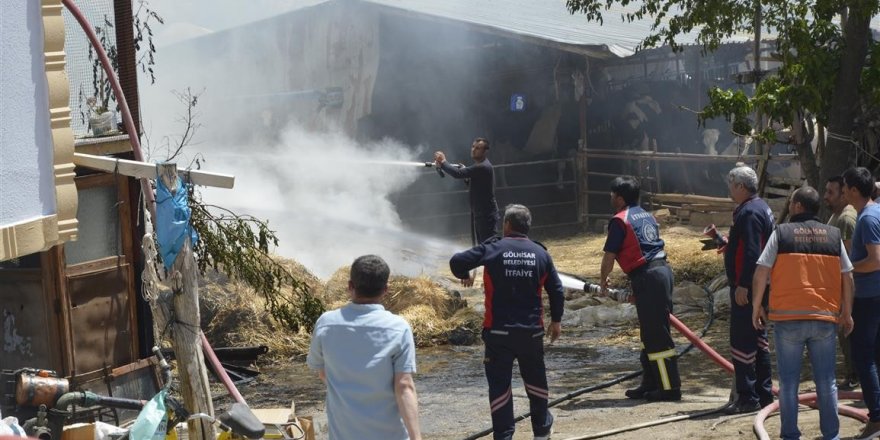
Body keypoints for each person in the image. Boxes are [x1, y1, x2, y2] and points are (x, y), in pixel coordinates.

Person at [449, 204, 563, 440]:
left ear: (507, 225)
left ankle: (503, 435)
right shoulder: (541, 253)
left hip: (498, 333)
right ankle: (542, 431)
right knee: (536, 383)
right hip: (531, 332)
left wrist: (466, 273)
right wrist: (557, 321)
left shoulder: (493, 248)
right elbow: (557, 289)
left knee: (500, 387)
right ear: (527, 227)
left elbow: (456, 262)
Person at [751, 186, 854, 440]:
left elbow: (761, 271)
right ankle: (831, 436)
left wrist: (756, 306)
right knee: (826, 382)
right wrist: (847, 313)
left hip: (788, 319)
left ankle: (790, 435)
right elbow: (848, 277)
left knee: (788, 384)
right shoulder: (833, 235)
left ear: (797, 206)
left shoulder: (782, 233)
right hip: (823, 318)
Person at [306, 255, 422, 440]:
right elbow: (404, 386)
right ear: (386, 289)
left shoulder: (326, 323)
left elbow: (322, 372)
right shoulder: (399, 328)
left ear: (350, 286)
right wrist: (417, 437)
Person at [599, 176, 682, 401]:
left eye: (612, 194)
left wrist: (603, 280)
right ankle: (650, 382)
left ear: (619, 198)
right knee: (650, 333)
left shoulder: (619, 220)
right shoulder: (647, 215)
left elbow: (609, 256)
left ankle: (669, 389)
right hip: (660, 272)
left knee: (657, 335)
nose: (610, 197)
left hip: (649, 276)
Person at [724, 164, 775, 414]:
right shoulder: (760, 207)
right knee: (758, 338)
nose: (730, 191)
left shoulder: (750, 212)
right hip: (759, 286)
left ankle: (748, 397)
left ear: (741, 186)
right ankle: (764, 395)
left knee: (743, 340)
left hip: (750, 287)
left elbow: (754, 251)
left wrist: (743, 284)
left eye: (732, 186)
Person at [842, 167, 880, 440]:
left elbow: (875, 260)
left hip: (868, 298)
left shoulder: (867, 218)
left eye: (845, 187)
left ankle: (877, 417)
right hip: (874, 296)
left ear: (854, 190)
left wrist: (846, 269)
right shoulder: (875, 211)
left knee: (863, 358)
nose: (843, 191)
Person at [825, 175, 859, 390]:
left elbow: (849, 260)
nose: (826, 196)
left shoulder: (846, 219)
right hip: (835, 285)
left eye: (831, 192)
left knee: (848, 330)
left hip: (845, 286)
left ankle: (854, 375)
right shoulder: (835, 215)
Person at [435, 137, 500, 244]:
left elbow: (457, 173)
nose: (474, 150)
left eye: (478, 148)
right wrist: (465, 173)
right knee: (483, 245)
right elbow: (473, 183)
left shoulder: (483, 167)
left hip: (486, 215)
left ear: (485, 151)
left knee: (488, 246)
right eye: (473, 146)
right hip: (482, 213)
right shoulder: (480, 166)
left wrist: (443, 162)